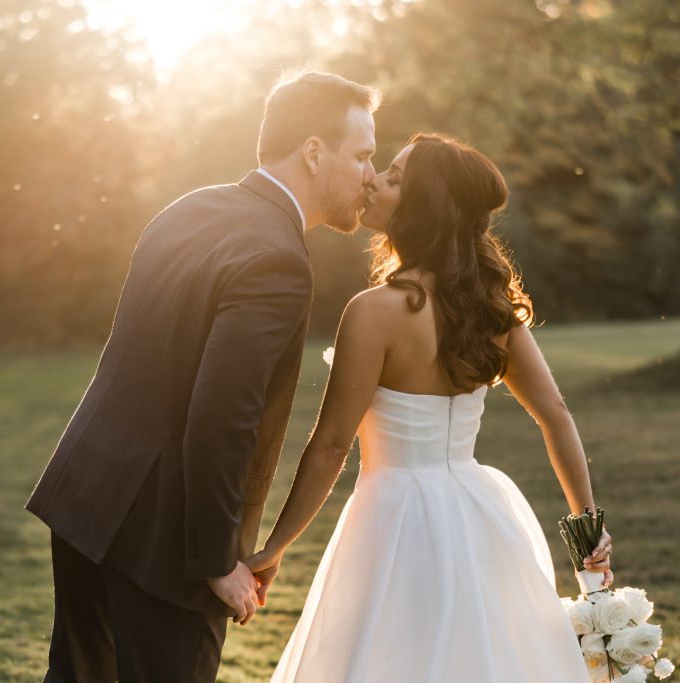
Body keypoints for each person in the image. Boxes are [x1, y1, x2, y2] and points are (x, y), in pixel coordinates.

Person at [25, 72, 379, 682]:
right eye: (363, 155)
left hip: (87, 504)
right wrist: (215, 557)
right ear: (314, 151)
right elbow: (223, 413)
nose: (371, 174)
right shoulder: (278, 260)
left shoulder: (189, 209)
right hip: (166, 546)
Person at [245, 133, 614, 682]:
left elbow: (330, 446)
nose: (374, 180)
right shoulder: (491, 307)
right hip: (477, 513)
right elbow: (555, 413)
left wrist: (274, 549)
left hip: (393, 520)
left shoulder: (373, 312)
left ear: (425, 207)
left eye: (393, 177)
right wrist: (589, 530)